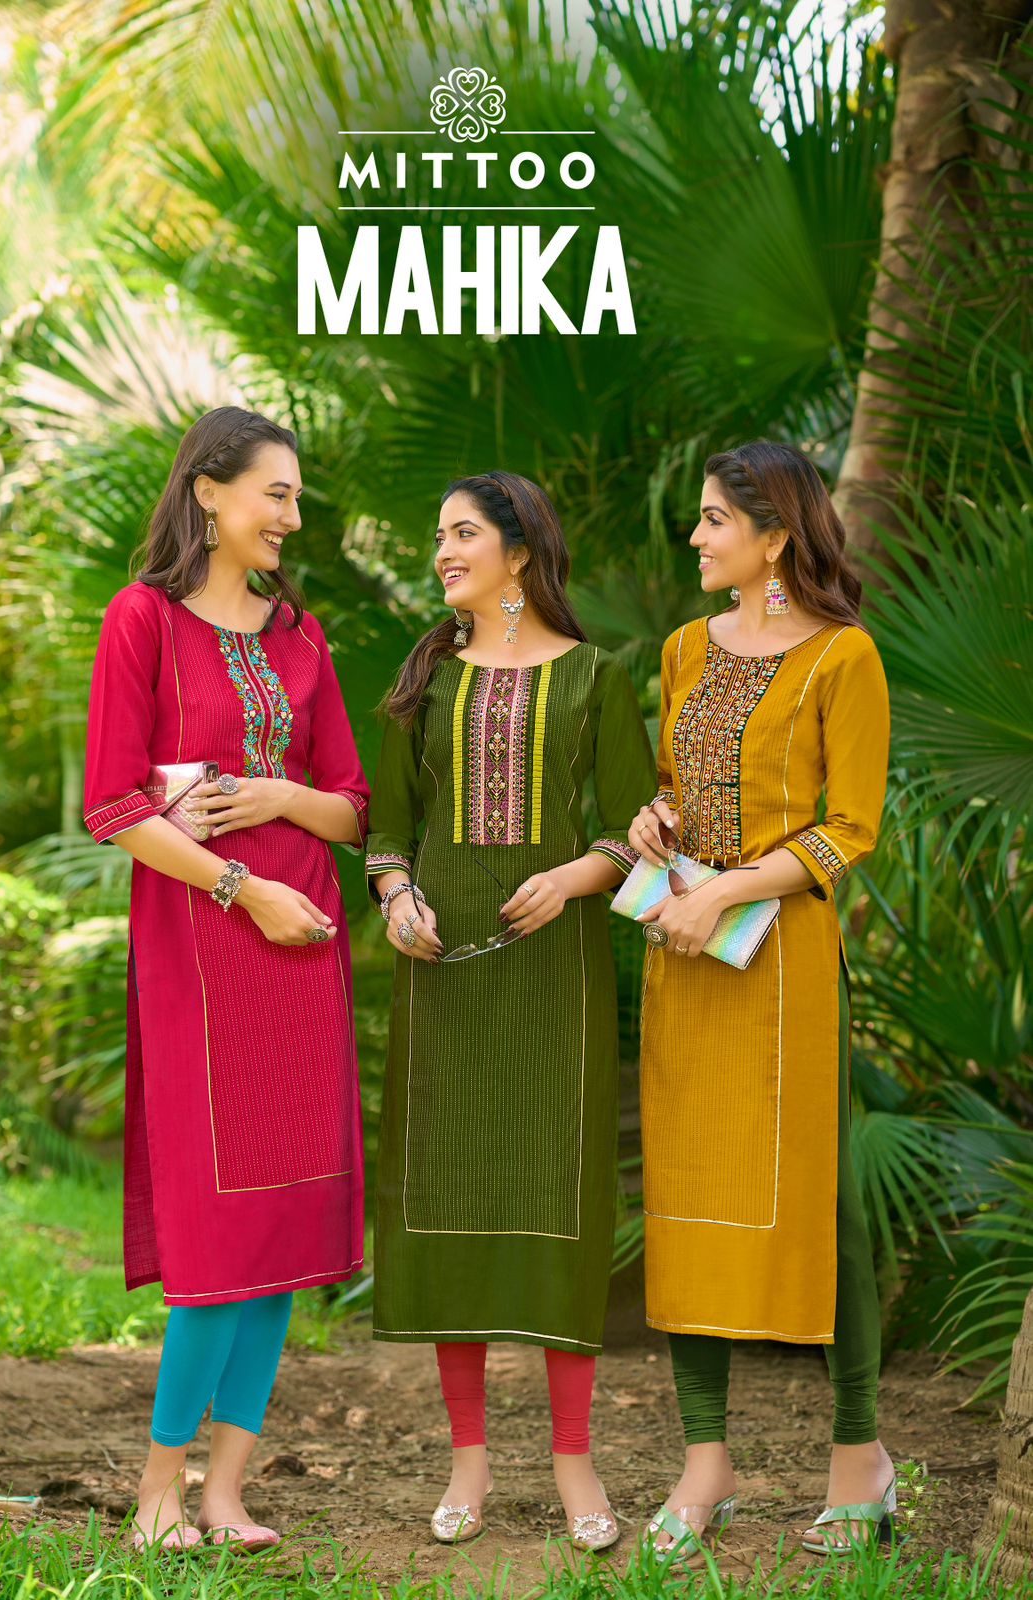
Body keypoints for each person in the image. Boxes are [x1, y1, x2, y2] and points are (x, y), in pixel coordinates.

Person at [82, 407, 369, 1552]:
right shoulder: (142, 620)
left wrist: (280, 797)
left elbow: (352, 807)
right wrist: (243, 886)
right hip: (204, 956)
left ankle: (226, 1490)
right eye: (276, 493)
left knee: (281, 1225)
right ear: (209, 491)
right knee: (216, 1234)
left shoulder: (300, 635)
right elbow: (114, 806)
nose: (291, 516)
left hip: (305, 948)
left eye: (296, 498)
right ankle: (159, 1491)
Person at [366, 471, 657, 1551]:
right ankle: (468, 1462)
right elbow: (388, 831)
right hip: (447, 971)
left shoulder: (595, 677)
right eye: (437, 535)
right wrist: (397, 899)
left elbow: (633, 826)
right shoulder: (427, 680)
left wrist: (574, 878)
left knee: (560, 1197)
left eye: (461, 534)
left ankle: (575, 1460)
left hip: (554, 975)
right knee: (451, 1198)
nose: (442, 551)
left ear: (519, 553)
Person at [629, 440, 894, 1562]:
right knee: (687, 1200)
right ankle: (707, 1463)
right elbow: (676, 784)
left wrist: (730, 890)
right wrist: (653, 821)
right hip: (683, 953)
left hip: (782, 963)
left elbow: (851, 827)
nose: (693, 536)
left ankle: (858, 1458)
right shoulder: (687, 647)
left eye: (712, 519)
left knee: (820, 1204)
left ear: (774, 536)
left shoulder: (843, 654)